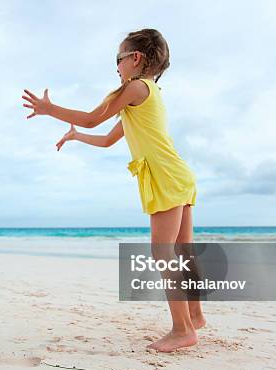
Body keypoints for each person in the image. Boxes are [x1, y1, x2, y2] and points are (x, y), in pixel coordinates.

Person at [22, 28, 205, 352]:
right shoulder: (147, 95)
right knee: (182, 252)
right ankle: (194, 315)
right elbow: (107, 138)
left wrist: (51, 109)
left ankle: (183, 330)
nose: (117, 68)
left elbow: (93, 118)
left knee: (163, 253)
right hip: (179, 175)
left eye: (117, 60)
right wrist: (76, 137)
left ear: (135, 59)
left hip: (165, 176)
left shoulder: (134, 88)